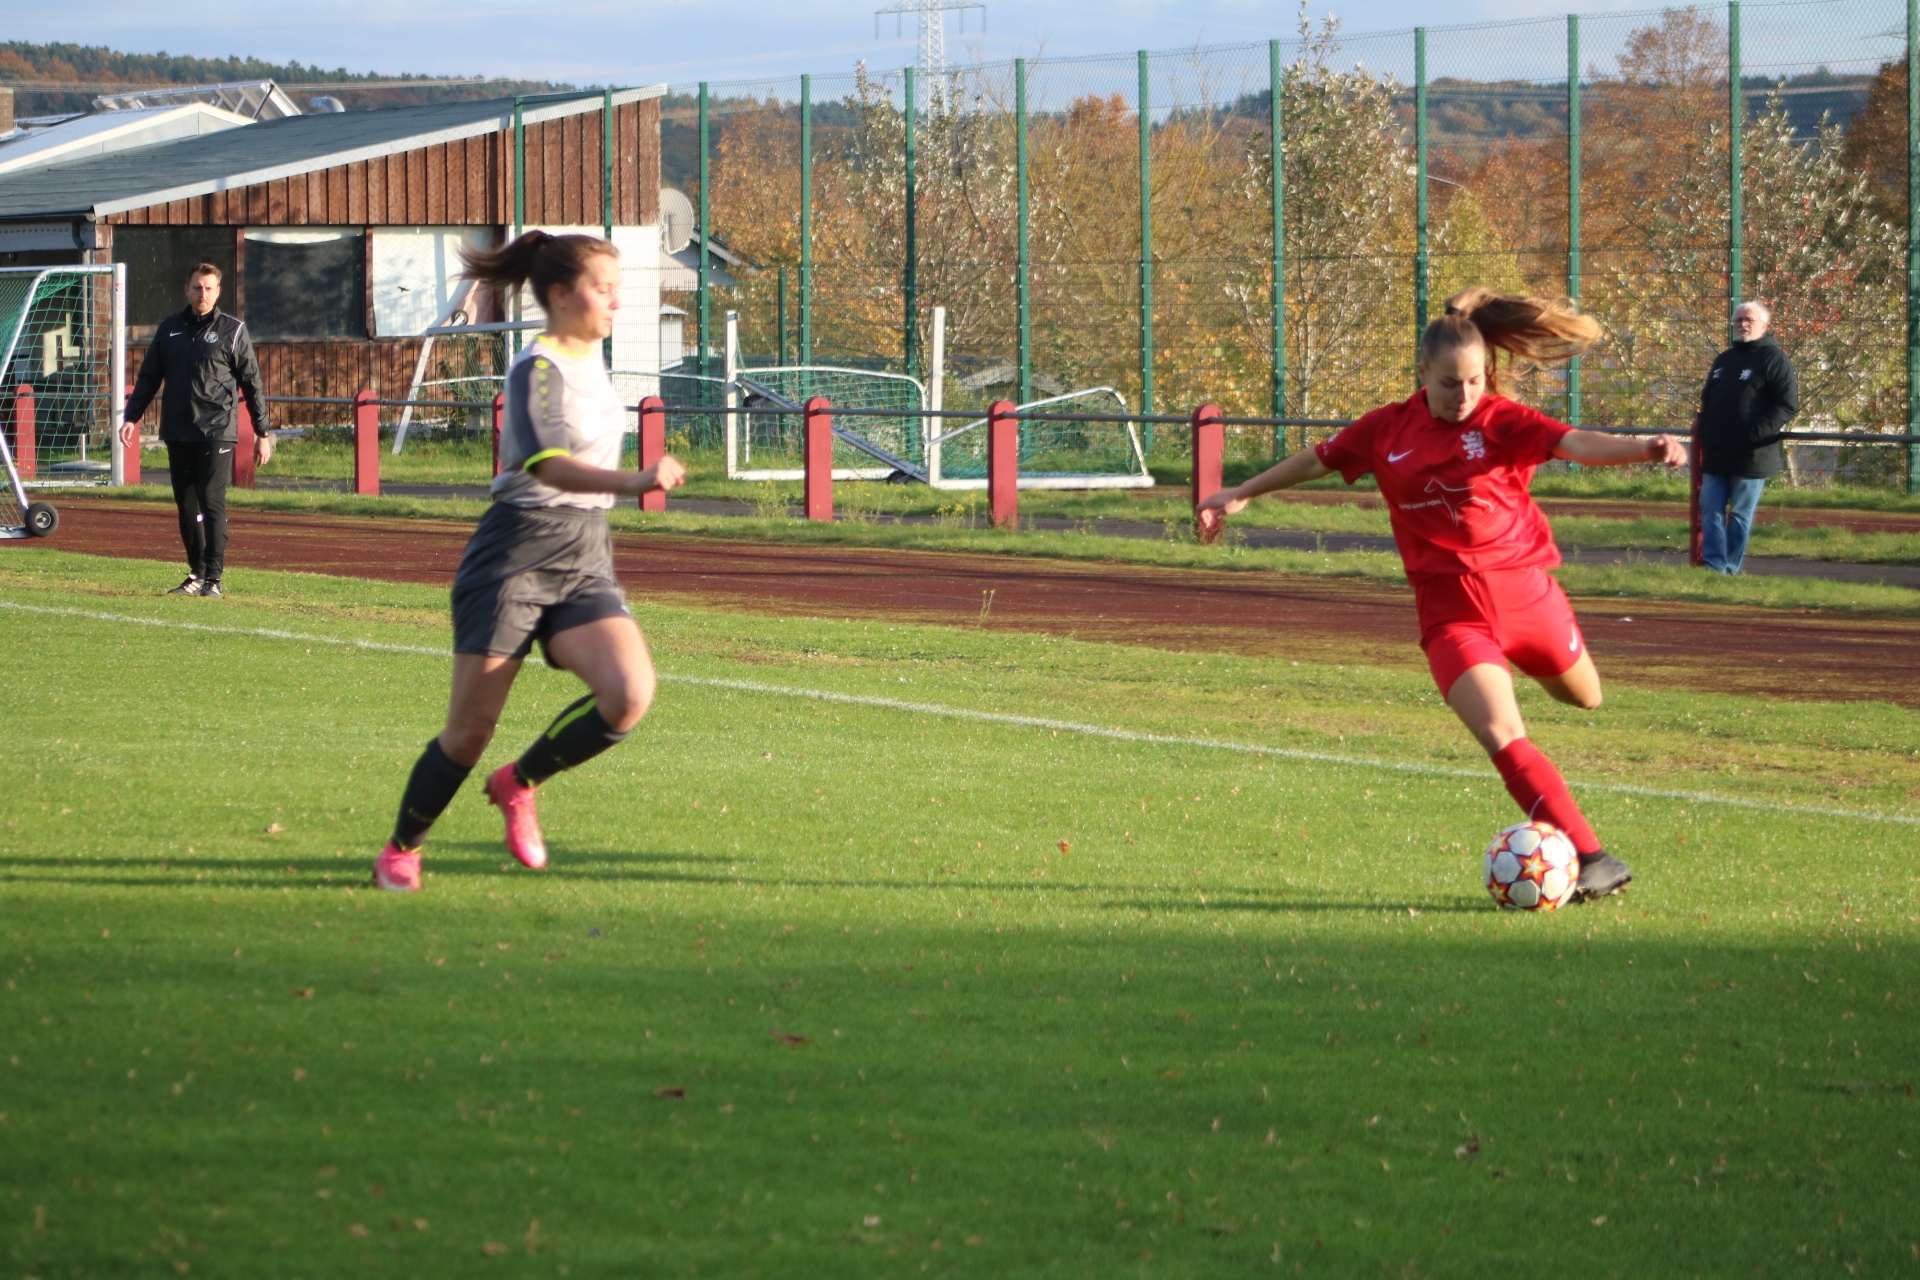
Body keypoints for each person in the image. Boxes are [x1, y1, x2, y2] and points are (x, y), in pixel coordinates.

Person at [1198, 288, 1688, 902]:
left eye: (1476, 381)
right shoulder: (1387, 428)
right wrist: (1243, 491)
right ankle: (1594, 857)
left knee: (1587, 698)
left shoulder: (1501, 420)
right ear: (1421, 374)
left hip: (1527, 597)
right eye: (1451, 383)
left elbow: (1576, 443)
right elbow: (1317, 461)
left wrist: (1644, 449)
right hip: (1452, 613)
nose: (1464, 395)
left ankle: (1579, 822)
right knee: (1502, 734)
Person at [373, 231, 686, 893]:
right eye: (604, 289)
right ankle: (402, 848)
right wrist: (636, 481)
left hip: (585, 553)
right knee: (468, 734)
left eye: (616, 288)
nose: (616, 302)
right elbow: (546, 463)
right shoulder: (535, 369)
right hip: (514, 555)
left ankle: (518, 783)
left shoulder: (592, 358)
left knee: (629, 694)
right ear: (561, 295)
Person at [118, 263, 273, 599]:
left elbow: (252, 384)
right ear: (186, 290)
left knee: (211, 501)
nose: (202, 293)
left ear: (218, 292)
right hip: (178, 429)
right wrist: (131, 417)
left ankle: (213, 579)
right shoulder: (169, 328)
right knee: (187, 507)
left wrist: (263, 433)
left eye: (208, 288)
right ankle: (197, 572)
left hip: (217, 430)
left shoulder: (233, 331)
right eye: (197, 287)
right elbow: (149, 377)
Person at [1695, 300, 1798, 574]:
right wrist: (1706, 430)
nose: (1742, 324)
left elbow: (1787, 405)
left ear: (1764, 325)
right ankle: (1713, 567)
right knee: (1710, 510)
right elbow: (1707, 400)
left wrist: (1753, 434)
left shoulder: (1774, 360)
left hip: (1752, 454)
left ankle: (1729, 568)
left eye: (1748, 320)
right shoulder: (1724, 360)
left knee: (1740, 514)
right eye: (1738, 319)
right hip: (1718, 452)